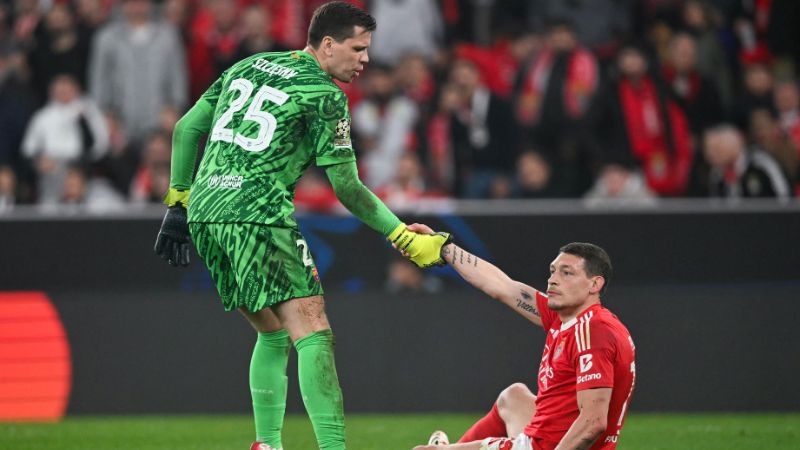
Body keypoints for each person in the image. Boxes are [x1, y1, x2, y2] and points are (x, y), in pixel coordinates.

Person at [152, 3, 451, 450]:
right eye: (358, 48)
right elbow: (348, 189)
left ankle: (266, 444)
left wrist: (178, 202)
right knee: (313, 330)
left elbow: (185, 128)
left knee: (272, 332)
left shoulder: (250, 65)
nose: (365, 59)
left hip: (206, 210)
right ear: (327, 45)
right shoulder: (325, 95)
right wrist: (402, 235)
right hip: (257, 211)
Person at [402, 226, 635, 450]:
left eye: (567, 273)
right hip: (544, 439)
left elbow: (593, 423)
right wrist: (443, 247)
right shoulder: (564, 317)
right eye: (553, 271)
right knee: (513, 397)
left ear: (595, 284)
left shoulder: (594, 331)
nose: (553, 280)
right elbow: (503, 286)